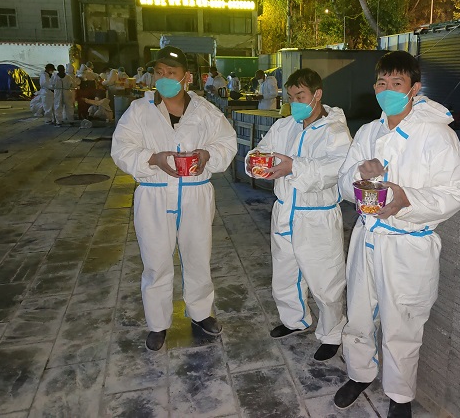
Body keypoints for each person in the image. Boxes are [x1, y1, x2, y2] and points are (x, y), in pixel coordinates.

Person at [333, 51, 460, 418]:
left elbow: (453, 195)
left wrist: (407, 200)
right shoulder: (368, 132)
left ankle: (400, 395)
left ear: (414, 88)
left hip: (408, 244)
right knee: (359, 313)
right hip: (367, 236)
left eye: (397, 83)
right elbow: (344, 183)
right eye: (382, 83)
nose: (388, 90)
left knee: (401, 323)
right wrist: (360, 174)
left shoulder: (437, 135)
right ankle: (360, 373)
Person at [111, 45, 237, 352]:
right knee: (155, 262)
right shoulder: (139, 111)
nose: (164, 78)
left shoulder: (205, 111)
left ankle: (201, 313)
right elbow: (121, 149)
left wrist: (208, 154)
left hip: (195, 193)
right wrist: (153, 159)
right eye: (159, 72)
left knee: (198, 257)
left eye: (172, 72)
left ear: (186, 77)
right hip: (154, 194)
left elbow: (227, 143)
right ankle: (157, 323)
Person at [245, 68, 351, 361]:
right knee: (285, 273)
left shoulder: (335, 132)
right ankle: (294, 320)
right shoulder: (285, 126)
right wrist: (255, 161)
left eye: (300, 96)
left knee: (325, 280)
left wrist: (295, 167)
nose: (295, 103)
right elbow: (262, 149)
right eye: (290, 97)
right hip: (284, 211)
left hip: (317, 215)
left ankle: (332, 333)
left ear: (317, 95)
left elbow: (338, 169)